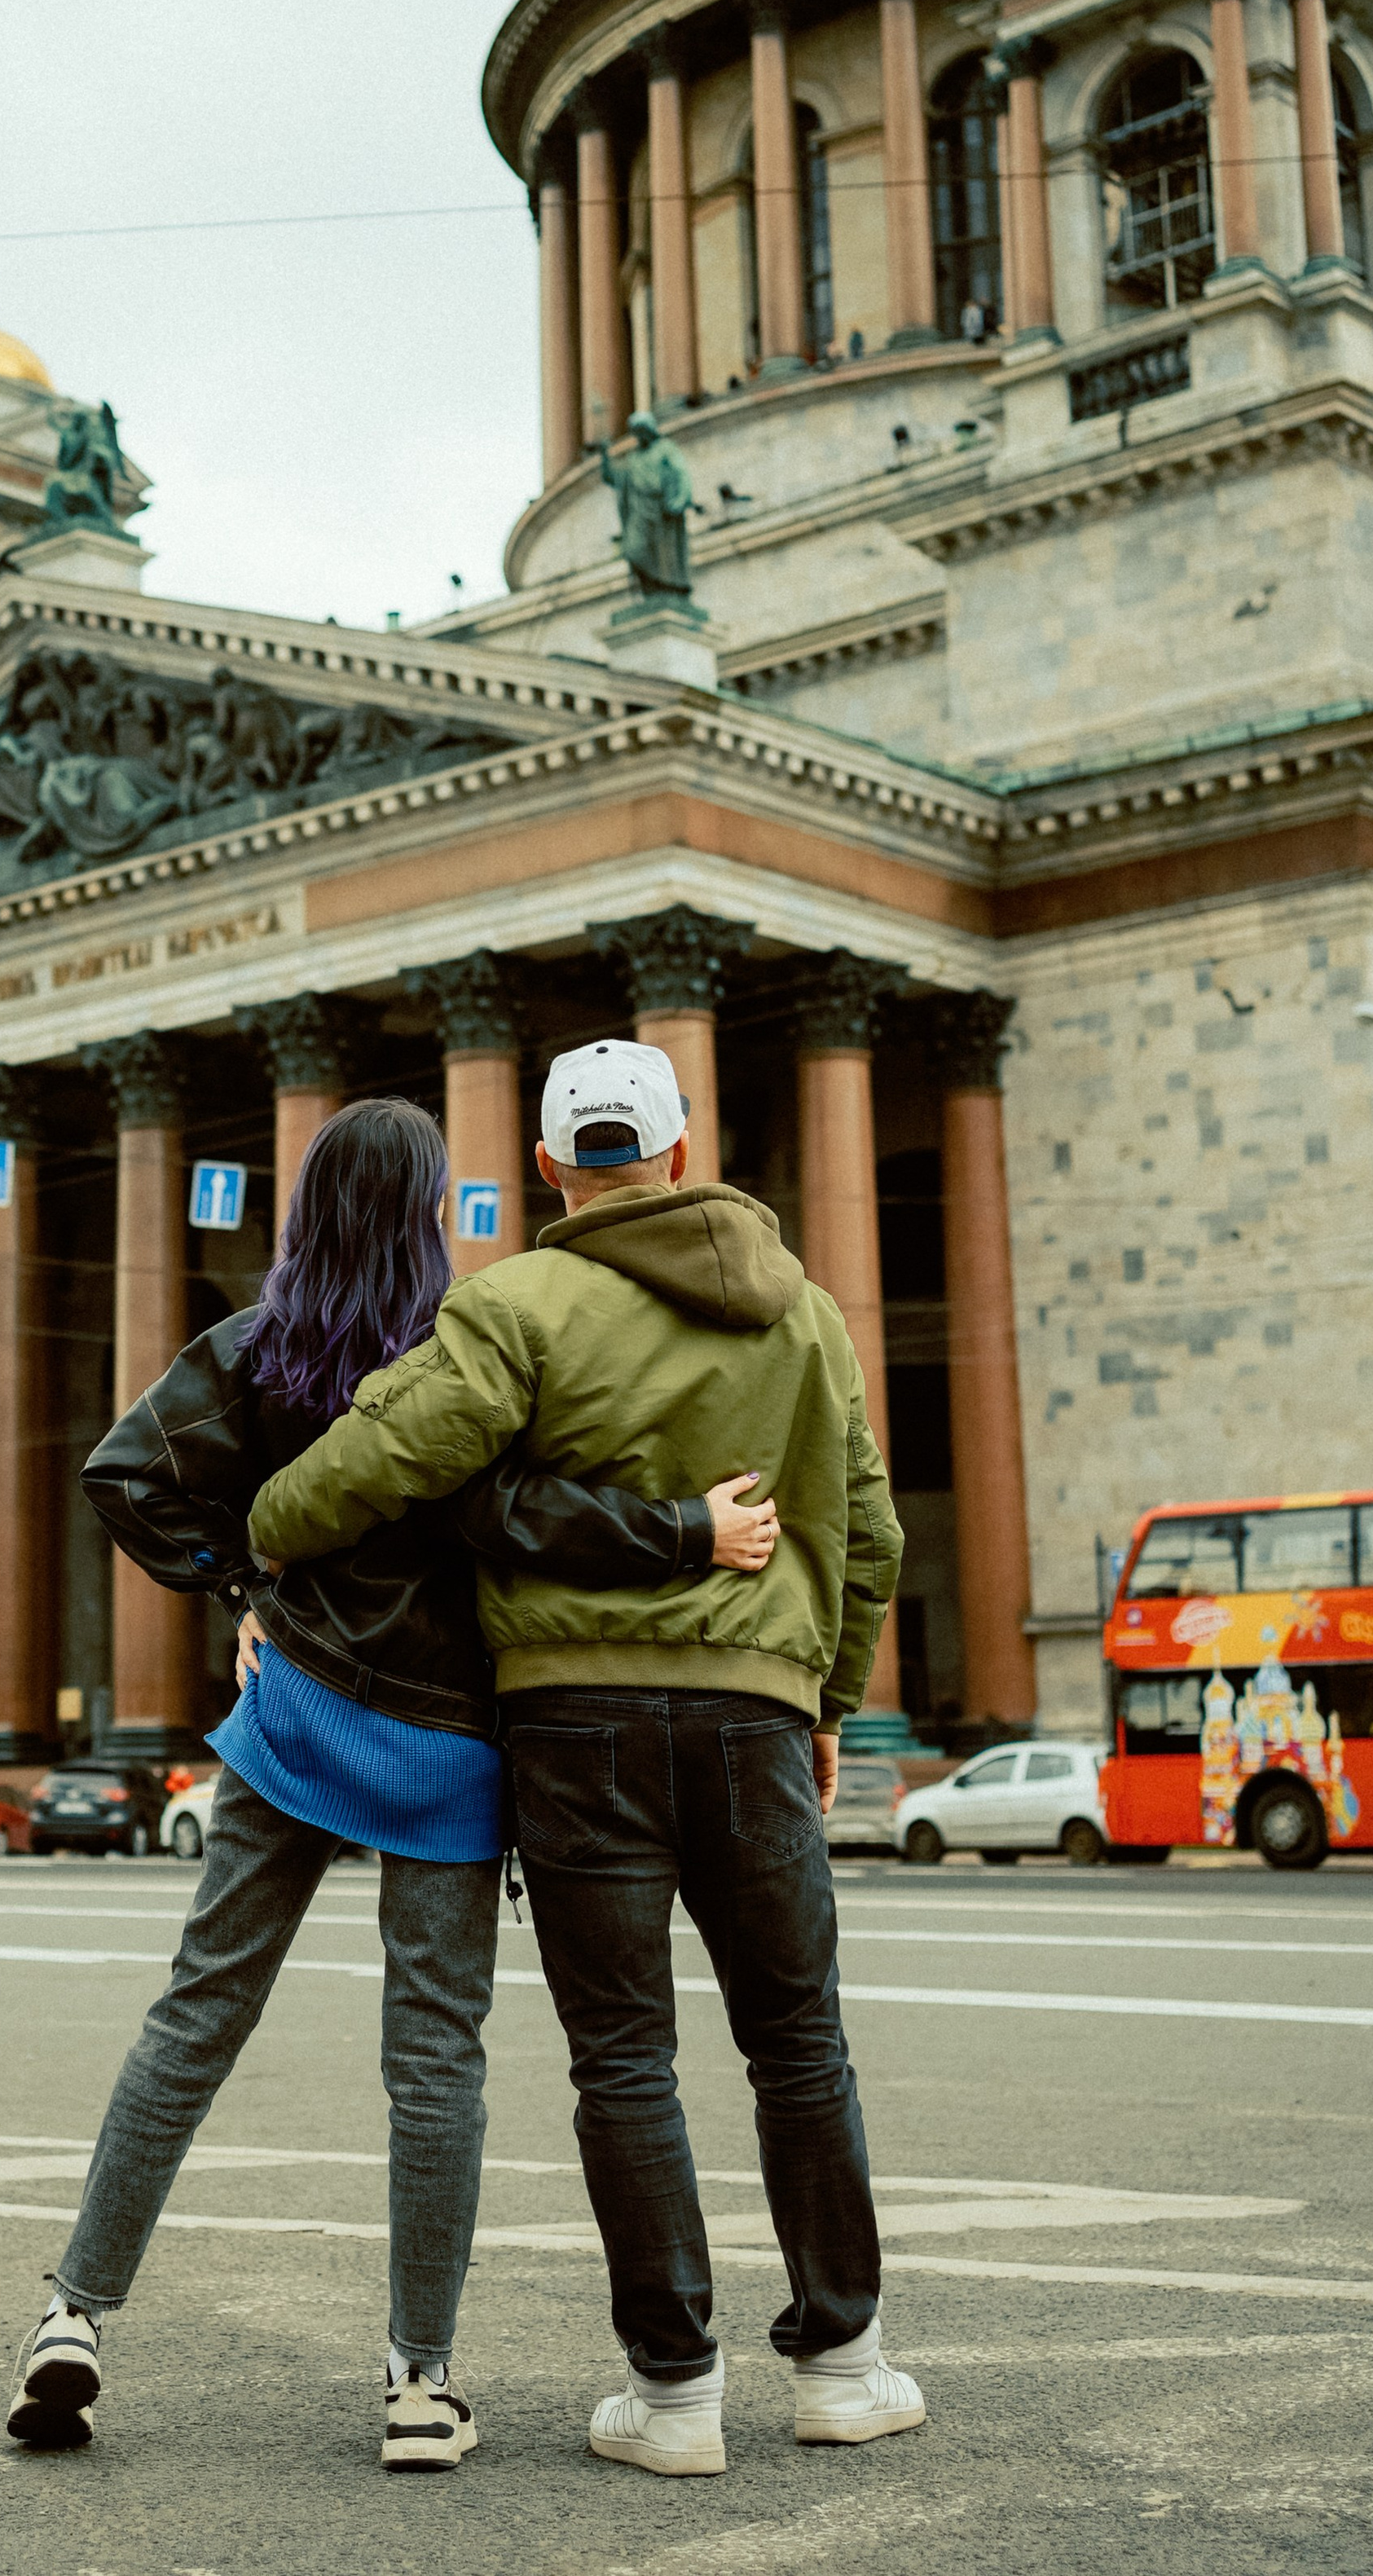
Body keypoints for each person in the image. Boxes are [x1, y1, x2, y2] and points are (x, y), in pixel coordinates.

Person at [6, 1093, 779, 2472]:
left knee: (195, 2017)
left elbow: (125, 1478)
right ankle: (420, 2383)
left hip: (295, 1718)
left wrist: (240, 1586)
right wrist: (684, 1531)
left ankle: (75, 2315)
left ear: (307, 1210)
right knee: (434, 2061)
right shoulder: (469, 1345)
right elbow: (521, 1519)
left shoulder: (255, 1349)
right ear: (430, 1214)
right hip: (449, 1747)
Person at [248, 1039, 918, 2481]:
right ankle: (845, 2369)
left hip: (572, 1731)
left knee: (624, 2059)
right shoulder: (808, 1317)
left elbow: (377, 1461)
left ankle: (675, 2399)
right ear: (678, 1150)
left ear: (553, 1169)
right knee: (800, 2045)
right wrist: (828, 1704)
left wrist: (266, 1534)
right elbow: (868, 1533)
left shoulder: (515, 1305)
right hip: (754, 1718)